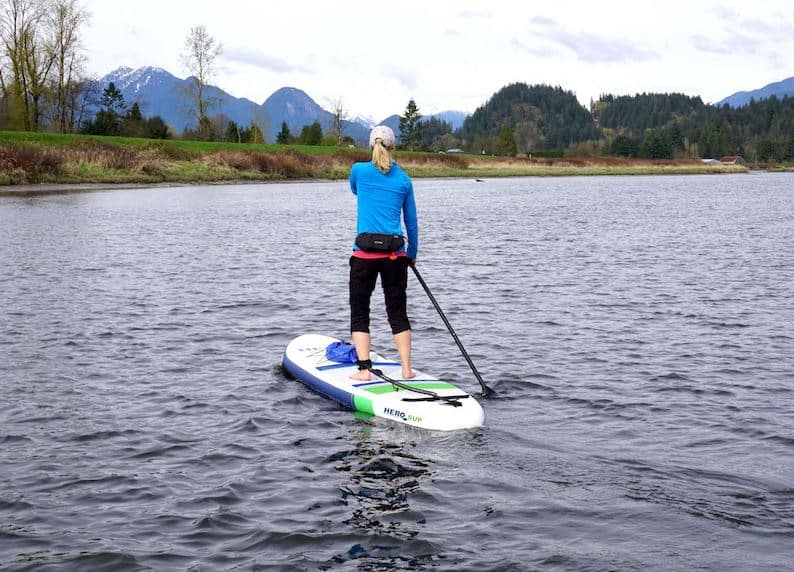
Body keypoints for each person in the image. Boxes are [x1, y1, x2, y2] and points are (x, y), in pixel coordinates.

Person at [348, 125, 418, 382]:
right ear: (393, 147)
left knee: (360, 312)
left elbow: (356, 190)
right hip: (394, 257)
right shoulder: (404, 179)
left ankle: (364, 371)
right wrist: (411, 253)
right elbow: (411, 222)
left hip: (364, 256)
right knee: (397, 313)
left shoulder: (358, 171)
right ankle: (407, 369)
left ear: (371, 146)